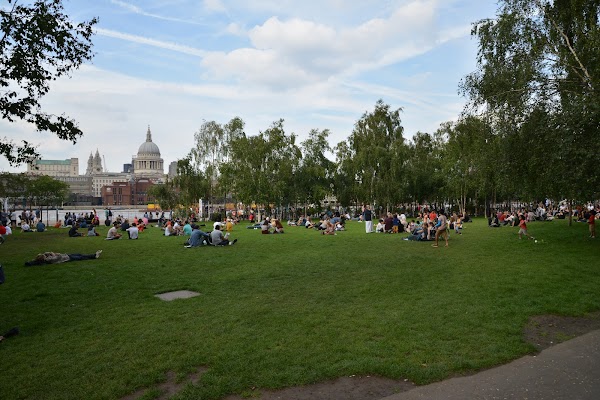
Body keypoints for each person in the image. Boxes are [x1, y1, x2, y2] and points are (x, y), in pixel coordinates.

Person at [24, 250, 103, 266]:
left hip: (66, 255)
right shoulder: (49, 259)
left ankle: (94, 255)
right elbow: (57, 257)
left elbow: (46, 253)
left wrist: (47, 253)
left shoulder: (46, 257)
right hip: (66, 258)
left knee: (79, 255)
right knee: (80, 257)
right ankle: (94, 256)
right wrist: (52, 253)